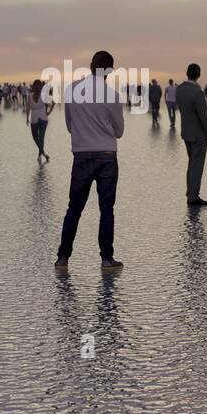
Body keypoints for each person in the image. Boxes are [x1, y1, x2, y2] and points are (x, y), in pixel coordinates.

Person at [56, 50, 125, 270]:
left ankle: (63, 257)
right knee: (106, 209)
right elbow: (119, 131)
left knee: (74, 208)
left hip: (81, 155)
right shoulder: (112, 95)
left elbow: (69, 125)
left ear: (90, 65)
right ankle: (106, 258)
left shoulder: (73, 90)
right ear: (109, 71)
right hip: (106, 156)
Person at [176, 63, 207, 206]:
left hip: (186, 132)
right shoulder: (197, 92)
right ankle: (193, 196)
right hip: (199, 135)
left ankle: (190, 192)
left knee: (191, 163)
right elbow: (204, 116)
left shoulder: (179, 89)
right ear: (198, 74)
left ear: (187, 73)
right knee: (197, 166)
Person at [26, 78, 52, 162]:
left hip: (34, 118)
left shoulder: (30, 95)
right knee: (41, 137)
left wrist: (27, 118)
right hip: (43, 117)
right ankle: (42, 153)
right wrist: (48, 112)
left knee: (35, 137)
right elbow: (54, 102)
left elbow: (28, 108)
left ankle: (42, 154)